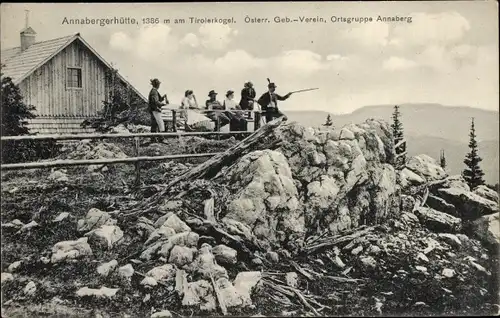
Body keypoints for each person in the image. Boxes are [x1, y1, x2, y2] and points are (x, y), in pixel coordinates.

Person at [148, 78, 169, 143]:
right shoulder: (154, 92)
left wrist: (164, 97)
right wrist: (163, 104)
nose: (159, 85)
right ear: (157, 85)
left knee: (154, 124)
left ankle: (153, 138)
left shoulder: (154, 91)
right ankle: (161, 138)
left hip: (153, 109)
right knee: (161, 124)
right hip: (155, 110)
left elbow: (159, 99)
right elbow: (156, 102)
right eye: (159, 84)